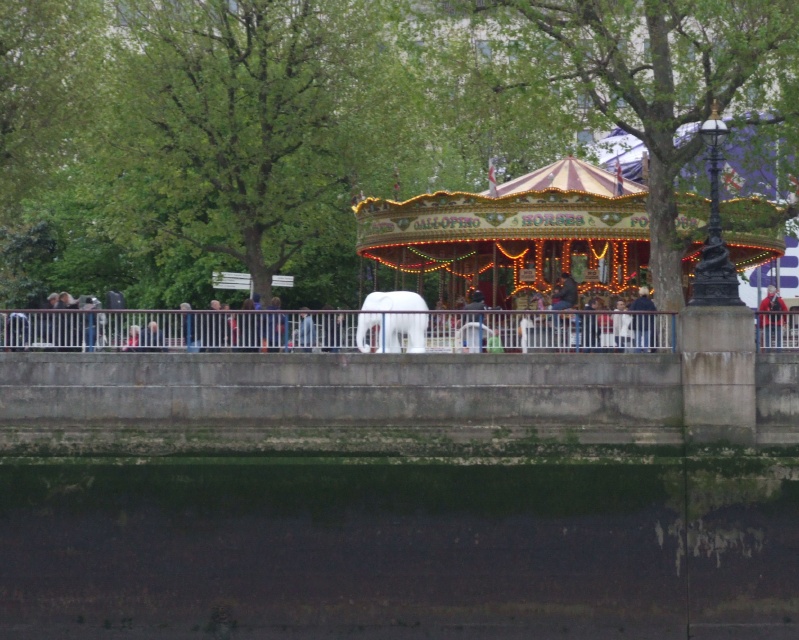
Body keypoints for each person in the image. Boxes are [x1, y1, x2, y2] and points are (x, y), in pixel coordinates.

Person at [758, 285, 788, 351]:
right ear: (774, 292)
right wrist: (785, 321)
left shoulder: (764, 301)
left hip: (767, 323)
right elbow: (785, 311)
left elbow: (760, 314)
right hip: (778, 322)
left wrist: (761, 324)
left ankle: (767, 353)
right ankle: (779, 353)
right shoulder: (780, 300)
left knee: (767, 340)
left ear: (768, 291)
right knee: (779, 340)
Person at [629, 286, 657, 352]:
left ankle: (638, 352)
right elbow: (654, 312)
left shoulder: (636, 301)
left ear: (640, 293)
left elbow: (631, 310)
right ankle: (645, 352)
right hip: (648, 323)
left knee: (638, 340)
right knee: (646, 340)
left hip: (637, 323)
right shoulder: (650, 302)